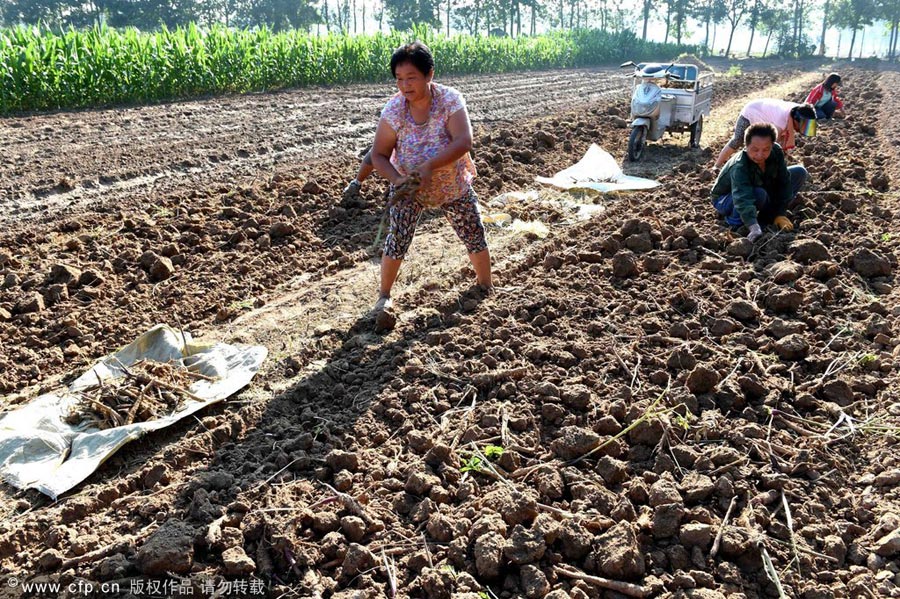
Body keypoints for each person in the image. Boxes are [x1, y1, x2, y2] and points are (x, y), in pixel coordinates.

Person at [369, 41, 491, 312]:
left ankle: (486, 286)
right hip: (409, 187)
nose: (405, 86)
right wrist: (398, 180)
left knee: (473, 232)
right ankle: (384, 296)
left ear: (429, 74)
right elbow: (378, 154)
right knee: (397, 238)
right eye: (399, 79)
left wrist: (429, 166)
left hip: (452, 184)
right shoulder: (394, 110)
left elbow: (463, 141)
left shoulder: (449, 100)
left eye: (411, 78)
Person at [710, 123, 809, 242]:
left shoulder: (776, 151)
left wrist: (779, 213)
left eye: (766, 149)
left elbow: (784, 182)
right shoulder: (740, 166)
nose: (760, 155)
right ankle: (735, 221)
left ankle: (768, 215)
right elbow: (742, 196)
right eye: (755, 150)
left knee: (799, 172)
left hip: (758, 185)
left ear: (772, 145)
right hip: (725, 198)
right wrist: (753, 226)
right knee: (759, 194)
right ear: (746, 146)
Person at [714, 100, 817, 169]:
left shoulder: (798, 111)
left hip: (767, 118)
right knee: (737, 141)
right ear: (796, 120)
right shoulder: (782, 119)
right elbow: (771, 144)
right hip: (750, 112)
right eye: (805, 125)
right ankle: (717, 166)